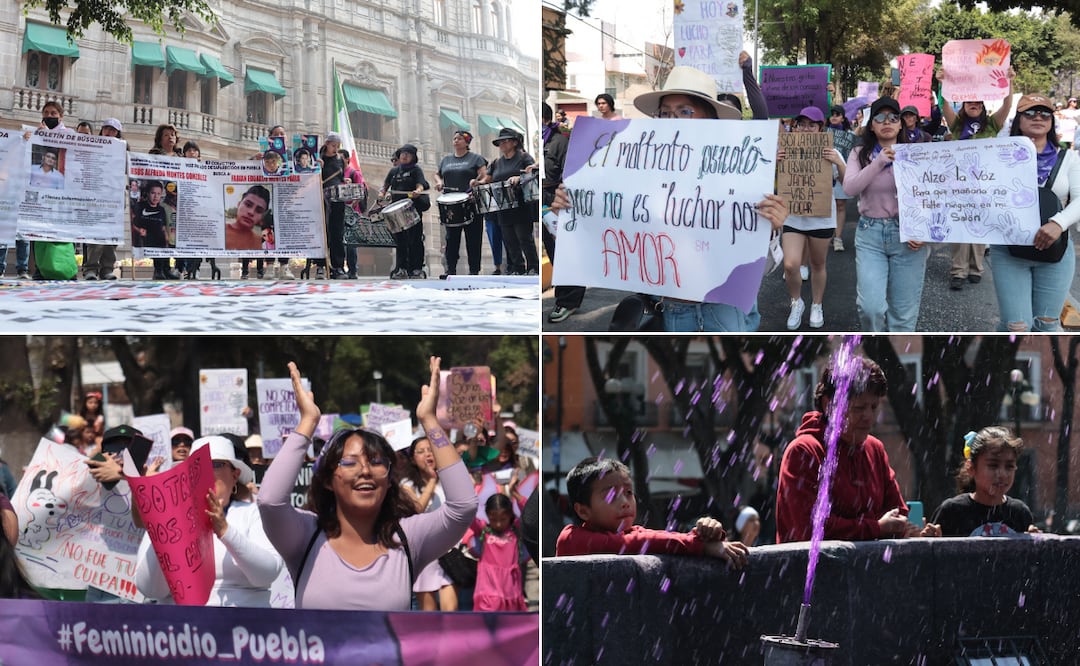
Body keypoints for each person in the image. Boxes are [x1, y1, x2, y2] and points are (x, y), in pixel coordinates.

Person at [257, 357, 477, 610]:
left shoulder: (408, 539)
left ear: (390, 478)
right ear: (328, 480)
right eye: (350, 463)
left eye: (376, 462)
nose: (365, 471)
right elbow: (269, 501)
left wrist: (430, 421)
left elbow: (463, 506)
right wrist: (308, 421)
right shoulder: (304, 536)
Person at [628, 65, 787, 331]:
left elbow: (763, 270)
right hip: (665, 311)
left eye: (684, 111)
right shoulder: (637, 174)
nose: (672, 120)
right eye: (665, 113)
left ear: (710, 119)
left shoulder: (741, 175)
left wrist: (769, 231)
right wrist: (575, 212)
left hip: (723, 311)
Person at [776, 356, 914, 542]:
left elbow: (898, 514)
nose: (868, 417)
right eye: (859, 408)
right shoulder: (803, 452)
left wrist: (913, 531)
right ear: (829, 405)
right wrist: (876, 528)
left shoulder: (875, 449)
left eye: (874, 407)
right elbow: (811, 528)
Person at [135, 436, 283, 606]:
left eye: (215, 465)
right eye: (194, 466)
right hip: (182, 627)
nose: (203, 472)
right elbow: (150, 589)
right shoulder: (168, 517)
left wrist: (226, 532)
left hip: (242, 625)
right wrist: (165, 525)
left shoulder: (252, 513)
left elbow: (267, 574)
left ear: (235, 475)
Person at [989, 94, 1080, 332]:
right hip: (1009, 250)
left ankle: (1049, 369)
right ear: (1018, 120)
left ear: (1052, 121)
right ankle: (997, 365)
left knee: (1047, 324)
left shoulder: (1069, 158)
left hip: (1055, 250)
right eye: (1029, 113)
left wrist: (1058, 224)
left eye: (1044, 113)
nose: (1037, 117)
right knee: (1016, 326)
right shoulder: (996, 155)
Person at [555, 457, 749, 567]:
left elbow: (660, 538)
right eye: (611, 495)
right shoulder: (570, 538)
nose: (625, 502)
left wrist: (705, 533)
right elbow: (632, 544)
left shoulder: (634, 533)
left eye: (629, 492)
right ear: (583, 511)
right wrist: (701, 546)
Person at [842, 96, 927, 331]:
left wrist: (924, 231)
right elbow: (849, 188)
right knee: (871, 308)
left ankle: (896, 360)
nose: (886, 122)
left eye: (893, 117)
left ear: (901, 124)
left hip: (908, 236)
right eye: (879, 117)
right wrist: (878, 162)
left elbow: (932, 197)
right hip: (870, 234)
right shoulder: (860, 153)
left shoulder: (916, 154)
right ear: (872, 125)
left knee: (903, 315)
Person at [939, 70, 1015, 290]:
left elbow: (1007, 106)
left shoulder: (991, 125)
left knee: (981, 228)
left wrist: (1009, 82)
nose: (975, 104)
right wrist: (943, 83)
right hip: (960, 185)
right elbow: (945, 107)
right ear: (963, 106)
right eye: (970, 101)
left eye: (978, 103)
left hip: (984, 186)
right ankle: (958, 271)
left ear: (983, 107)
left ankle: (976, 268)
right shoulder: (957, 126)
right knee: (961, 227)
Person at [781, 106, 846, 330]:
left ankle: (817, 304)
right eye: (802, 124)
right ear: (795, 127)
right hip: (793, 217)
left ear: (820, 128)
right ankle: (796, 302)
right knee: (790, 264)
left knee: (818, 264)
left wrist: (838, 161)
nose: (806, 128)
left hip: (821, 217)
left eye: (812, 124)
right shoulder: (785, 149)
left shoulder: (832, 151)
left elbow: (848, 183)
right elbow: (770, 181)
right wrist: (776, 162)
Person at [921, 428, 1039, 538]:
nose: (1002, 474)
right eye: (993, 465)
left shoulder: (1020, 513)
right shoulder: (952, 511)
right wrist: (931, 540)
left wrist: (1035, 541)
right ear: (971, 468)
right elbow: (932, 557)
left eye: (1009, 466)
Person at [400, 436, 458, 611]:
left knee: (451, 613)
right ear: (412, 459)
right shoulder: (407, 485)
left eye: (430, 450)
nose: (427, 454)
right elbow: (417, 508)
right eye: (421, 451)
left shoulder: (450, 481)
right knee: (429, 615)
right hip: (425, 553)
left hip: (449, 552)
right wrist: (433, 480)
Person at [542, 101, 584, 324]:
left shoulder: (560, 142)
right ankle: (564, 296)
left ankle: (568, 301)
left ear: (547, 119)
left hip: (557, 199)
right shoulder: (535, 143)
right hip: (541, 200)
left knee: (565, 252)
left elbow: (570, 172)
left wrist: (561, 196)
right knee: (552, 251)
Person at [484, 128, 538, 275]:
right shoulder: (496, 162)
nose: (502, 144)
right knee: (509, 239)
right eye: (500, 142)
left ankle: (533, 267)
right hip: (503, 205)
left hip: (521, 204)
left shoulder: (524, 157)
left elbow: (533, 173)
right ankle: (517, 267)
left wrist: (519, 178)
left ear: (514, 142)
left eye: (505, 141)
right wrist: (476, 183)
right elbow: (487, 178)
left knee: (524, 238)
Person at [434, 130, 487, 278]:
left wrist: (477, 183)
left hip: (471, 202)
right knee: (451, 239)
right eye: (454, 138)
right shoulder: (446, 160)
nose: (456, 141)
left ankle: (474, 271)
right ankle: (450, 270)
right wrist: (439, 182)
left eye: (459, 139)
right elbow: (437, 174)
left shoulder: (475, 158)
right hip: (451, 204)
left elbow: (485, 176)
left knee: (473, 239)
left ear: (467, 142)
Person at [465, 493, 527, 611]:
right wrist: (470, 492)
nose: (498, 524)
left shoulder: (516, 529)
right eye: (493, 519)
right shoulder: (483, 530)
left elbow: (530, 513)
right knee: (488, 625)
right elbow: (467, 514)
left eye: (503, 519)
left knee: (510, 627)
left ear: (510, 514)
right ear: (487, 515)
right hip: (488, 590)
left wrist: (515, 492)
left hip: (511, 590)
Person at [82, 118, 125, 280]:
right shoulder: (93, 146)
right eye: (107, 129)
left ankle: (107, 269)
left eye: (113, 130)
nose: (109, 132)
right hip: (96, 195)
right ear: (102, 130)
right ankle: (90, 269)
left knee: (111, 235)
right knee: (95, 235)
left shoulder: (123, 149)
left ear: (118, 133)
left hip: (115, 197)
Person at [381, 143, 430, 279]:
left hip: (411, 208)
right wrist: (382, 193)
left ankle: (416, 269)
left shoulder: (416, 170)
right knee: (400, 241)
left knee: (415, 239)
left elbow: (420, 184)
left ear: (413, 157)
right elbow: (385, 186)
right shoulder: (394, 171)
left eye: (407, 154)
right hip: (396, 210)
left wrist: (417, 191)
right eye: (402, 153)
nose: (404, 156)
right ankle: (401, 268)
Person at [131, 180, 181, 280]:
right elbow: (132, 223)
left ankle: (166, 270)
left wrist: (166, 238)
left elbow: (163, 226)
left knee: (162, 240)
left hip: (160, 239)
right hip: (145, 239)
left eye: (158, 194)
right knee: (157, 241)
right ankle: (158, 270)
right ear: (148, 193)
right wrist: (139, 230)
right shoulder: (141, 206)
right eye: (153, 193)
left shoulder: (161, 209)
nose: (156, 197)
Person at [827, 105, 854, 252]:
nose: (834, 117)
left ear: (843, 117)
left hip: (843, 174)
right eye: (832, 114)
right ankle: (828, 233)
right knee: (826, 206)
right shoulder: (822, 132)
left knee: (840, 205)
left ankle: (838, 237)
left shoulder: (850, 135)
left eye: (838, 114)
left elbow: (852, 156)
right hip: (825, 174)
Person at [228, 185, 271, 253]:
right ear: (239, 204)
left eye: (259, 210)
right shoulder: (220, 231)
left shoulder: (259, 243)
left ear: (262, 216)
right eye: (248, 205)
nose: (251, 212)